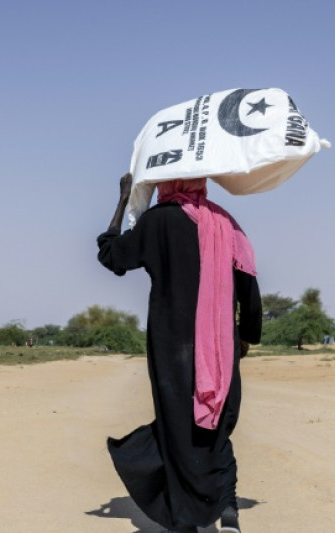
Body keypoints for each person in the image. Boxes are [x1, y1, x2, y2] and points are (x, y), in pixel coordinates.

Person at [97, 173, 262, 533]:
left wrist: (125, 200)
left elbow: (112, 256)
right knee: (216, 426)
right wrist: (246, 337)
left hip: (172, 344)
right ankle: (228, 509)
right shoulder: (224, 223)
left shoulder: (157, 220)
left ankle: (186, 518)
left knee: (177, 429)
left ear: (165, 184)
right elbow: (248, 284)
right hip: (220, 345)